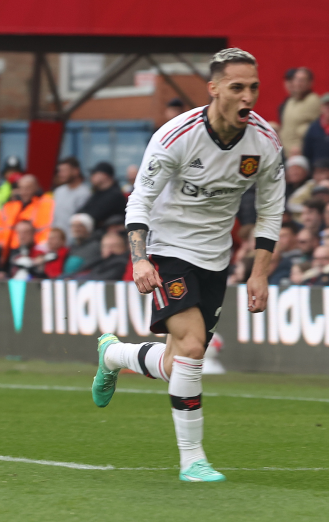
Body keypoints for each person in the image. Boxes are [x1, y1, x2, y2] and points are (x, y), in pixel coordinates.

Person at [90, 48, 285, 483]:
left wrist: (259, 271)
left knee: (179, 359)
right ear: (213, 89)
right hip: (167, 247)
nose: (247, 97)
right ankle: (192, 459)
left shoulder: (265, 143)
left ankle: (114, 354)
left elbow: (271, 210)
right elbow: (139, 198)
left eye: (253, 87)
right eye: (236, 87)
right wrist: (140, 259)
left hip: (216, 256)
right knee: (194, 348)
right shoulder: (175, 136)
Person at [0, 174, 54, 264]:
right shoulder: (11, 205)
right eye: (21, 188)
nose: (24, 192)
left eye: (28, 188)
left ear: (36, 188)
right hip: (9, 250)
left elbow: (45, 229)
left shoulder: (45, 204)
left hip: (33, 250)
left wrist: (39, 251)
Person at [278, 67, 322, 156]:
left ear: (310, 83)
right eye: (296, 80)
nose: (298, 83)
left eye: (302, 80)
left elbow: (317, 129)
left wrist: (302, 147)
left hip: (301, 155)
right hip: (285, 153)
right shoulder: (290, 101)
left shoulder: (313, 101)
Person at [51, 157, 92, 242]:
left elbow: (80, 221)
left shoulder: (85, 193)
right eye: (59, 171)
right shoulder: (58, 191)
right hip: (56, 241)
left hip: (73, 242)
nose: (60, 174)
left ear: (76, 171)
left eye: (64, 171)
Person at [78, 162, 127, 228]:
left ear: (105, 175)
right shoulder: (97, 193)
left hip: (112, 235)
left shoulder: (115, 195)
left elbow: (95, 216)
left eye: (94, 174)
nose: (91, 177)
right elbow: (81, 211)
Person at [301, 93, 329, 166]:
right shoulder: (313, 127)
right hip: (318, 170)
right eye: (327, 106)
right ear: (321, 108)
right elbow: (307, 151)